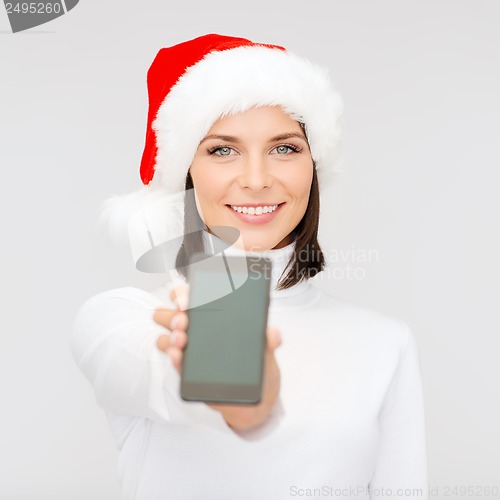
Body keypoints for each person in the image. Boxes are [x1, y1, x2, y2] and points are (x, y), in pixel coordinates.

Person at [71, 34, 428, 500]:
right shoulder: (121, 319)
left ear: (313, 165)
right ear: (185, 172)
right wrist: (243, 397)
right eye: (222, 149)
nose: (257, 180)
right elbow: (162, 377)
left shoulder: (386, 341)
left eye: (285, 148)